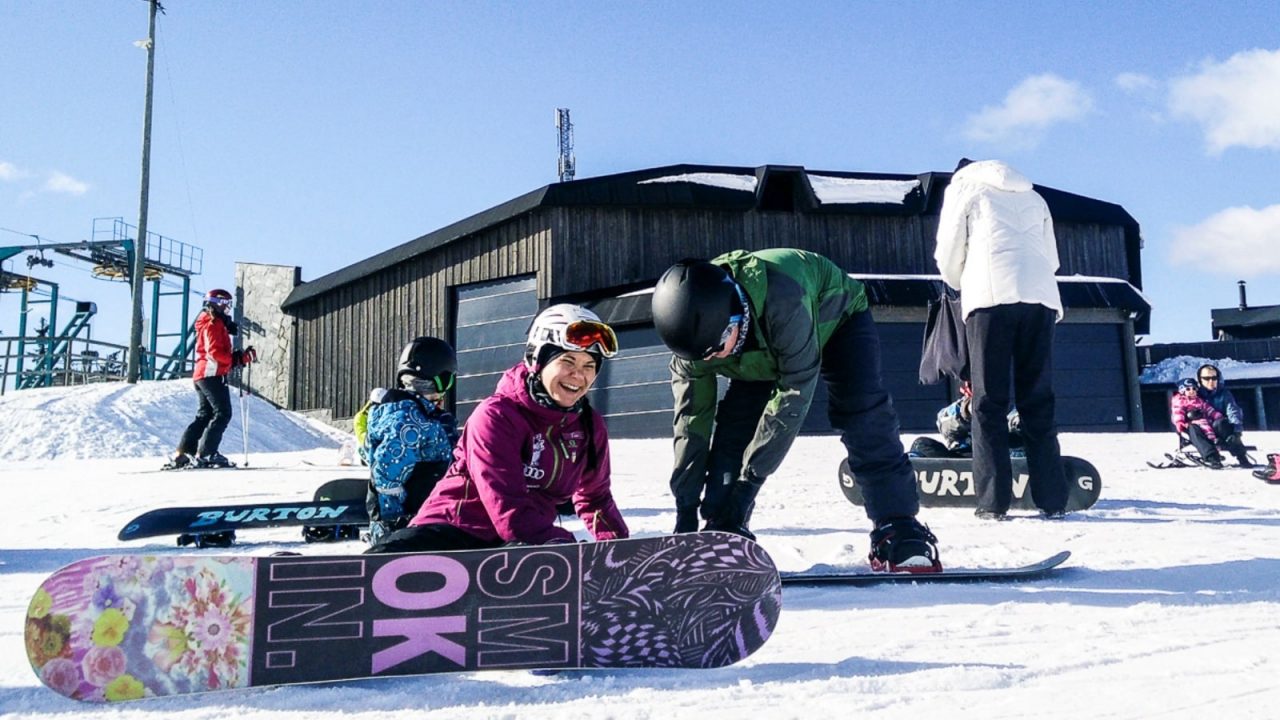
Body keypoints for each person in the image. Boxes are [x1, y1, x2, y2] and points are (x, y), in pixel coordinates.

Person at [651, 249, 942, 573]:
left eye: (718, 348)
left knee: (862, 413)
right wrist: (687, 506)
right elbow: (692, 422)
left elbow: (790, 401)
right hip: (758, 348)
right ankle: (722, 529)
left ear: (735, 314)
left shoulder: (784, 299)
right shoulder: (701, 343)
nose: (712, 360)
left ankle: (897, 527)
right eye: (702, 357)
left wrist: (748, 486)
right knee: (735, 431)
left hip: (836, 318)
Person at [366, 304, 629, 553]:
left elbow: (596, 500)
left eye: (589, 365)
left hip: (521, 545)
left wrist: (620, 553)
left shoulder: (588, 426)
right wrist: (566, 547)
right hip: (451, 533)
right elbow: (508, 506)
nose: (578, 375)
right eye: (568, 362)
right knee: (384, 560)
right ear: (537, 360)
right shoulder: (497, 416)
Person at [934, 158, 1069, 521]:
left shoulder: (964, 189)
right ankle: (1052, 498)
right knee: (1038, 399)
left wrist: (960, 280)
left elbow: (948, 251)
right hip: (1041, 299)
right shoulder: (1034, 197)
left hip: (990, 300)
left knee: (988, 402)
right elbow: (1051, 258)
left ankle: (993, 502)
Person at [359, 336, 460, 544]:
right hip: (407, 524)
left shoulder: (419, 414)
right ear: (437, 378)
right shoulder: (406, 418)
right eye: (447, 380)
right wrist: (394, 521)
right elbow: (387, 471)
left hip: (427, 516)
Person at [168, 288, 256, 470]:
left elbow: (216, 351)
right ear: (218, 303)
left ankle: (184, 453)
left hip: (204, 374)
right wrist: (237, 359)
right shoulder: (213, 324)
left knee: (205, 415)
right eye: (226, 304)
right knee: (222, 413)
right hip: (211, 374)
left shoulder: (213, 323)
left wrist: (235, 357)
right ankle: (207, 453)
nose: (227, 309)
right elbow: (214, 352)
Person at [913, 382, 1024, 458]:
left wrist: (1007, 421)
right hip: (963, 462)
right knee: (921, 444)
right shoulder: (961, 408)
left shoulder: (1012, 412)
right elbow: (945, 426)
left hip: (1002, 460)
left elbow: (1017, 421)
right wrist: (969, 410)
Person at [1195, 363, 1252, 467]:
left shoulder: (1224, 394)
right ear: (1200, 380)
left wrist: (1237, 430)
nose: (1211, 381)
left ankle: (1241, 456)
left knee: (1222, 423)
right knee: (1193, 427)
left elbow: (1233, 410)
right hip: (1202, 429)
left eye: (1214, 378)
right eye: (1206, 378)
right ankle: (1212, 457)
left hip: (1219, 428)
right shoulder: (1194, 395)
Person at [1170, 378, 1227, 469]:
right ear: (1182, 391)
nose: (1191, 391)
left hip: (1204, 423)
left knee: (1212, 431)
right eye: (1188, 389)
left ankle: (1216, 451)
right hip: (1187, 425)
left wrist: (1218, 416)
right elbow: (1177, 412)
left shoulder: (1199, 401)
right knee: (1195, 430)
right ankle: (1211, 456)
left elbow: (1209, 410)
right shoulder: (1180, 401)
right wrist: (1180, 422)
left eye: (1194, 389)